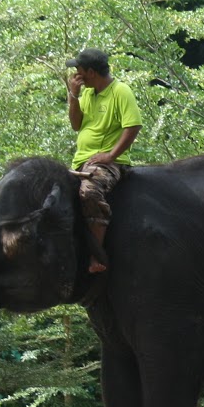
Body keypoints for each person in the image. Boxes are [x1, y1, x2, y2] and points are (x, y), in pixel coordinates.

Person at [66, 47, 142, 273]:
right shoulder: (88, 93)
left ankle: (96, 256)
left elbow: (133, 125)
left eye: (79, 70)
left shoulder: (121, 91)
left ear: (90, 71)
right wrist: (73, 96)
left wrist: (111, 156)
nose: (76, 74)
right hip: (81, 161)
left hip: (109, 164)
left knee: (89, 192)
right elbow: (76, 125)